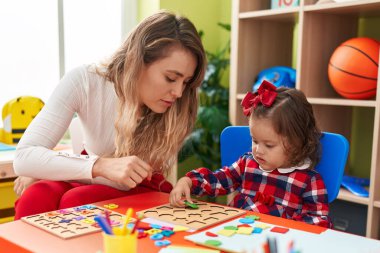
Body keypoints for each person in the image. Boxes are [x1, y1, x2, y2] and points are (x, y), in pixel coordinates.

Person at [13, 10, 206, 220]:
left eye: (186, 82)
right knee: (35, 196)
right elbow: (24, 157)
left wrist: (48, 166)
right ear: (137, 61)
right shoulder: (85, 80)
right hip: (91, 174)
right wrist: (97, 165)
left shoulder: (175, 106)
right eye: (170, 78)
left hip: (137, 185)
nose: (179, 92)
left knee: (75, 201)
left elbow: (122, 177)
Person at [170, 80, 332, 228]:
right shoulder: (248, 163)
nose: (258, 150)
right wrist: (189, 181)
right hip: (235, 232)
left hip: (275, 242)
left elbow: (318, 219)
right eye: (255, 141)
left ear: (297, 143)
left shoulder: (308, 180)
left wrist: (289, 228)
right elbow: (219, 180)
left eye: (269, 145)